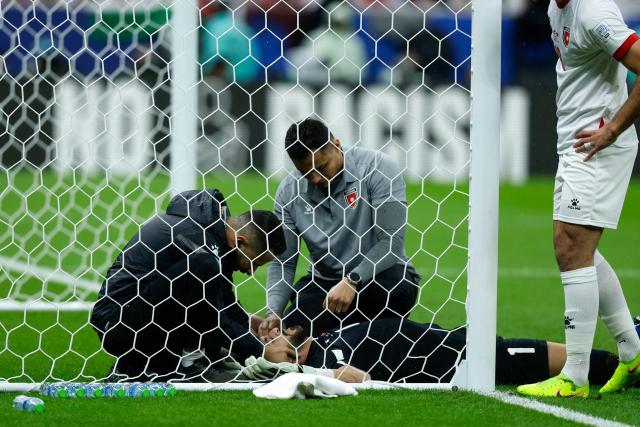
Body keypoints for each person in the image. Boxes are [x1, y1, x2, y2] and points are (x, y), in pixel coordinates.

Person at [518, 0, 640, 398]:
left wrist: (613, 130)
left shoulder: (593, 12)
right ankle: (633, 350)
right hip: (576, 142)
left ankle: (575, 375)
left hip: (597, 144)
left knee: (569, 246)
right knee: (576, 247)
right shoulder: (558, 10)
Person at [90, 188, 287, 380]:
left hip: (144, 317)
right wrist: (263, 354)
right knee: (204, 267)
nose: (251, 271)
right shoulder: (196, 237)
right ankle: (183, 364)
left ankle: (161, 365)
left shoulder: (216, 238)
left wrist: (247, 325)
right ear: (241, 241)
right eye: (254, 262)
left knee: (208, 284)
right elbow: (217, 316)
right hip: (117, 325)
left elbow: (225, 302)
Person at [260, 118, 421, 337]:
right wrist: (274, 311)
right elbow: (284, 262)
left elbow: (391, 243)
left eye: (322, 167)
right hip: (325, 285)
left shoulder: (378, 168)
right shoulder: (289, 192)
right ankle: (343, 341)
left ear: (337, 144)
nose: (316, 178)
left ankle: (343, 340)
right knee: (288, 333)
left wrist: (352, 281)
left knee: (393, 290)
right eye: (306, 174)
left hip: (379, 278)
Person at [242, 317, 628, 386]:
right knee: (509, 360)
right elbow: (359, 379)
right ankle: (620, 365)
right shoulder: (323, 364)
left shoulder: (320, 336)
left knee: (509, 354)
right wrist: (308, 374)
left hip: (434, 340)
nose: (271, 334)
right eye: (267, 343)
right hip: (448, 359)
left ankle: (621, 360)